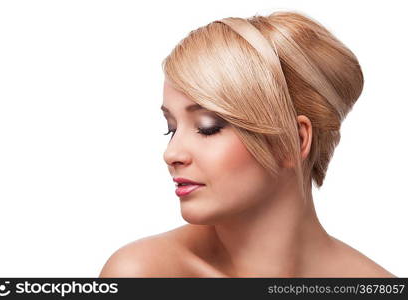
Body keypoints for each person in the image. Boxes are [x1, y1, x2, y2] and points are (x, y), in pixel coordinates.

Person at [99, 10, 395, 277]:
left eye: (207, 127)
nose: (171, 153)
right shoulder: (145, 275)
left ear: (294, 141)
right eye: (171, 128)